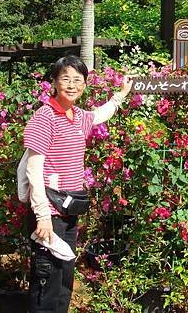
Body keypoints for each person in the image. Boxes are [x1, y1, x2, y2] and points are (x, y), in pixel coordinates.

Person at [23, 55, 132, 313]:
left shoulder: (78, 116)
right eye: (65, 79)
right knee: (46, 280)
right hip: (49, 212)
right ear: (54, 82)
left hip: (69, 209)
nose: (71, 85)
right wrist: (43, 216)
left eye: (77, 80)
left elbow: (99, 115)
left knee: (64, 278)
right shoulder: (44, 117)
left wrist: (121, 94)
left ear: (84, 85)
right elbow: (33, 170)